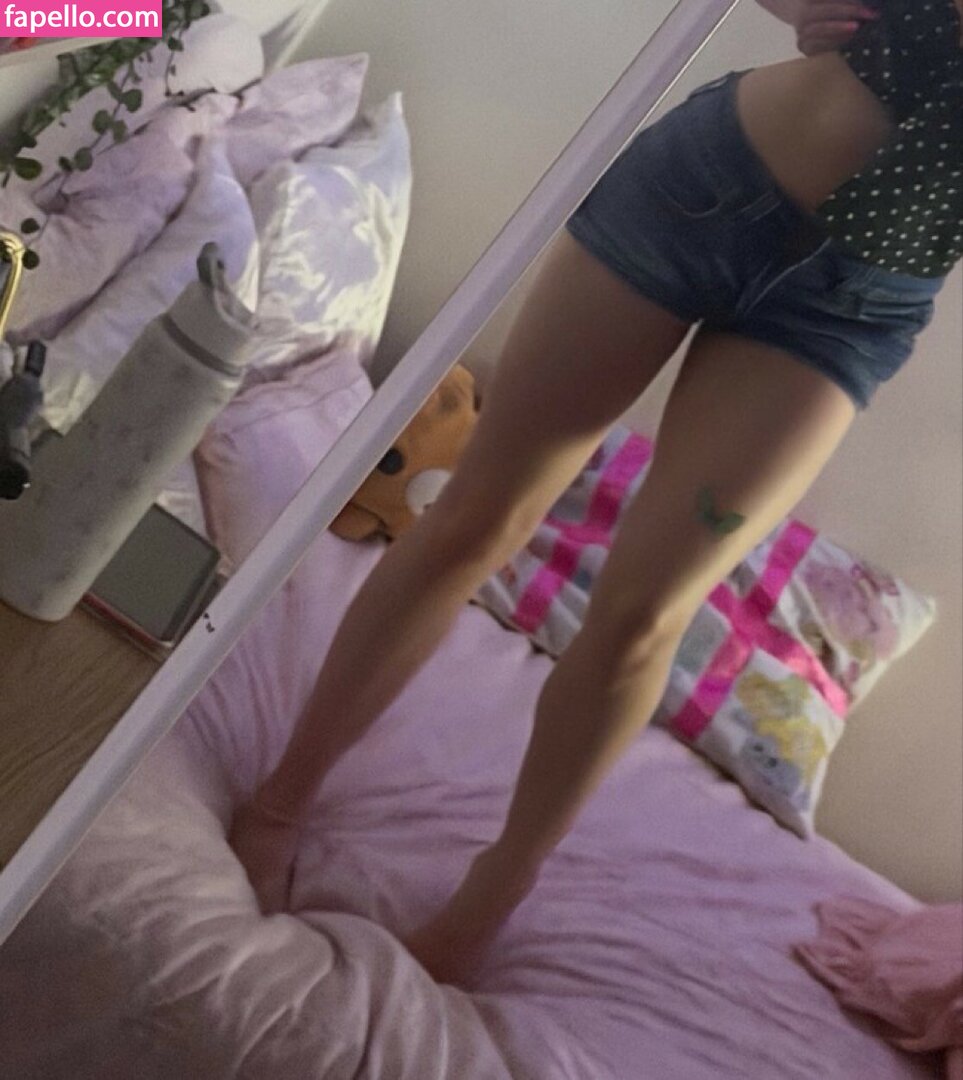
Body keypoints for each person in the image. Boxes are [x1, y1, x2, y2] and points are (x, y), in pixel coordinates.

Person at [230, 0, 962, 984]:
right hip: (707, 182)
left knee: (645, 617)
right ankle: (282, 799)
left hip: (850, 305)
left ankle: (494, 894)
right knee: (479, 515)